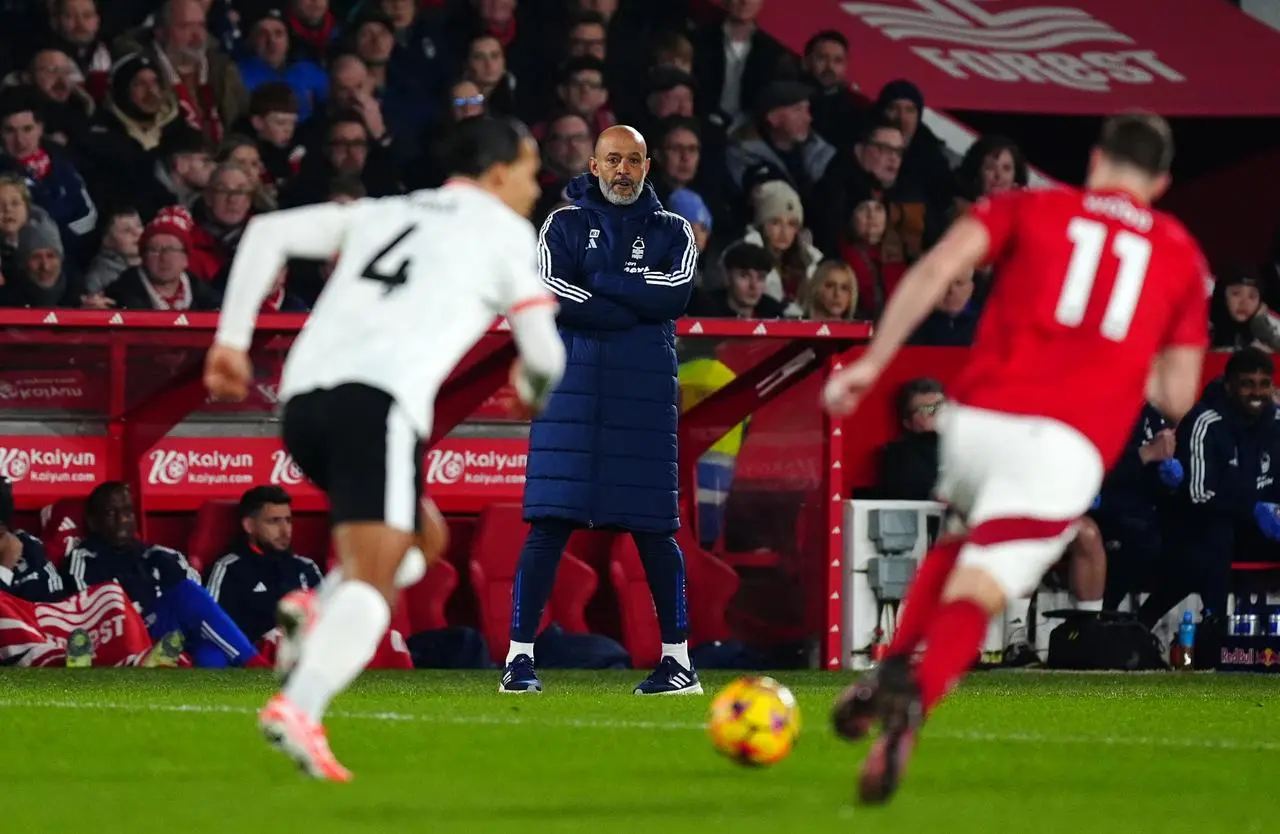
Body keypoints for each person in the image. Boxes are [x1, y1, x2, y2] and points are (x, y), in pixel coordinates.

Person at [821, 112, 1209, 804]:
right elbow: (1178, 394)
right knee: (983, 583)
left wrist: (871, 362)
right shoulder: (1179, 254)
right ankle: (912, 707)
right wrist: (1122, 356)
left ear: (1095, 161)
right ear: (1161, 181)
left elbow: (939, 265)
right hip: (1064, 445)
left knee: (964, 538)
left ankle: (888, 670)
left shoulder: (1030, 205)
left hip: (977, 420)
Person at [203, 115, 566, 781]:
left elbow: (267, 231)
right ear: (494, 174)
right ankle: (300, 707)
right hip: (378, 404)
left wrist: (231, 340)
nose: (536, 184)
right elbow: (547, 351)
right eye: (528, 168)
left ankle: (317, 604)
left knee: (421, 540)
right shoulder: (506, 234)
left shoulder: (384, 210)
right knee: (376, 585)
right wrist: (532, 388)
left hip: (303, 401)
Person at [502, 125, 700, 696]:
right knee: (548, 524)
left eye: (633, 161)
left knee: (655, 530)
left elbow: (674, 294)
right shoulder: (561, 224)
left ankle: (678, 662)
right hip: (572, 396)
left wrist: (602, 286)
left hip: (643, 401)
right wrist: (628, 300)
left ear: (648, 166)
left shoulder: (674, 230)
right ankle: (519, 660)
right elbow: (552, 291)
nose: (622, 171)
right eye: (612, 160)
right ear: (593, 165)